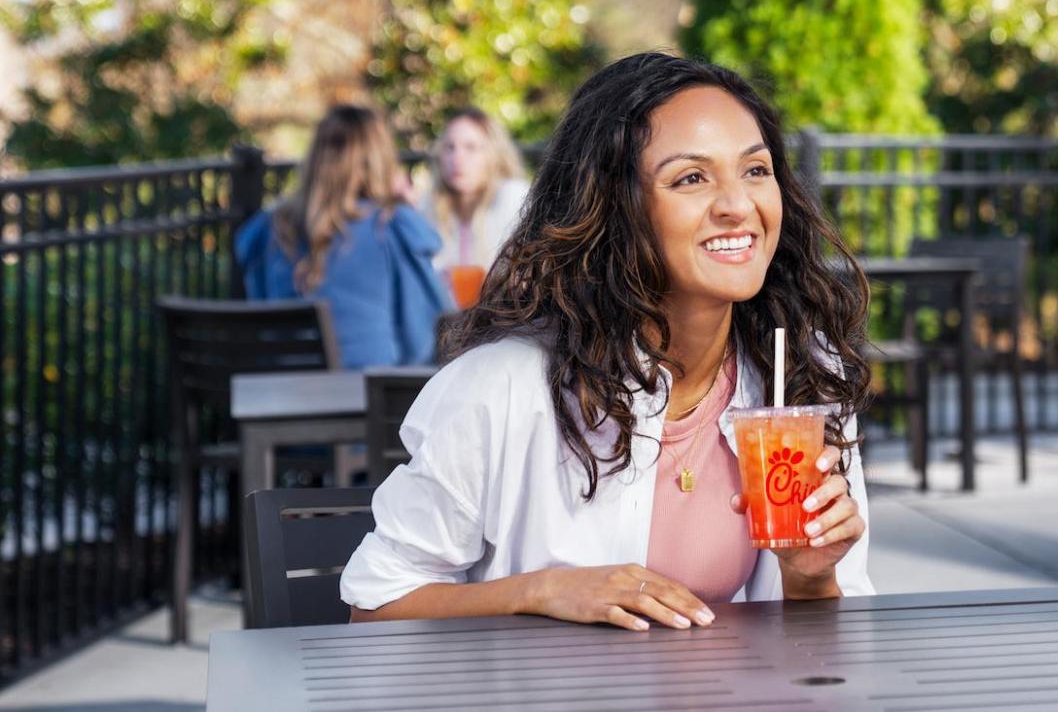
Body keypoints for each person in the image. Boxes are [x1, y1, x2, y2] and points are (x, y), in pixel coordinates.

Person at [340, 53, 875, 632]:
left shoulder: (800, 370)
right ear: (615, 207)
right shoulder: (502, 387)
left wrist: (811, 577)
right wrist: (543, 591)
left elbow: (826, 647)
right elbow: (374, 606)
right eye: (691, 178)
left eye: (755, 170)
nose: (736, 205)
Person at [235, 105, 453, 368]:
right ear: (379, 158)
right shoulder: (391, 226)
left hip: (282, 395)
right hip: (370, 399)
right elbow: (425, 335)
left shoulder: (269, 228)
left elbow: (259, 316)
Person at [424, 107, 530, 271]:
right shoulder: (429, 207)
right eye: (450, 147)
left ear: (494, 155)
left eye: (471, 147)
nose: (457, 158)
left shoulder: (513, 198)